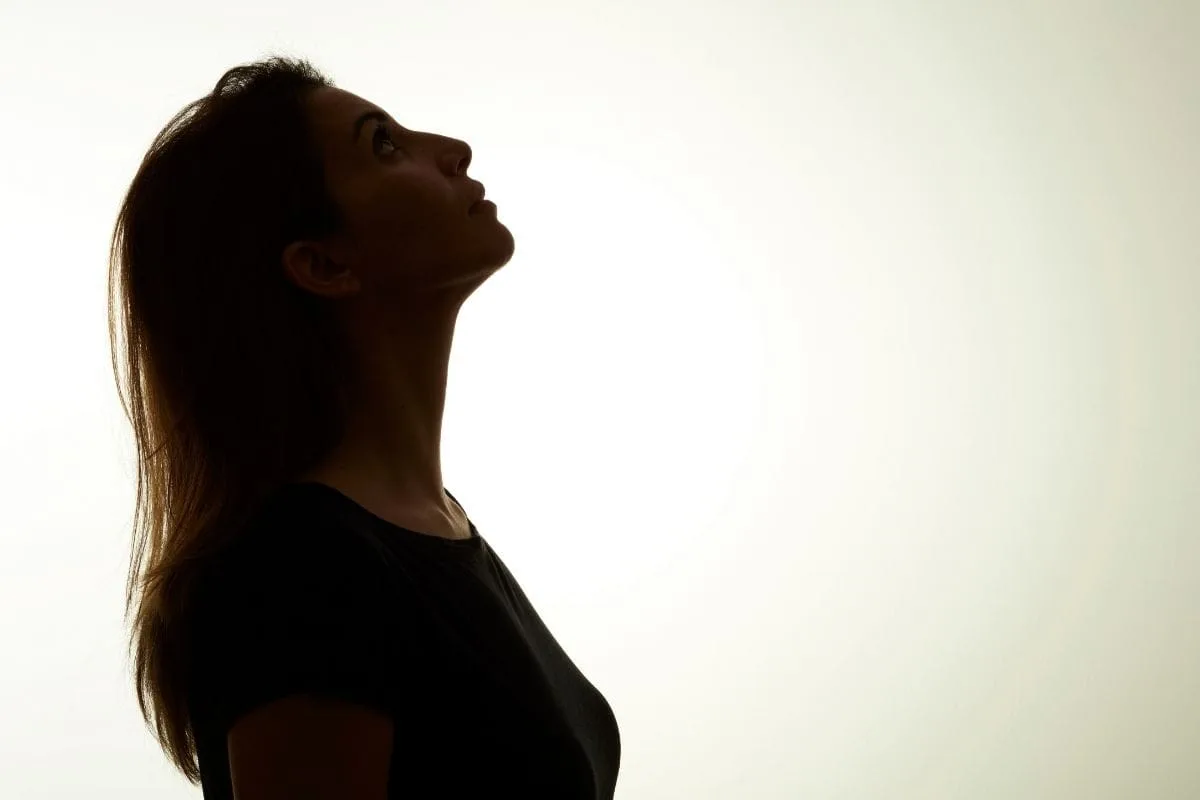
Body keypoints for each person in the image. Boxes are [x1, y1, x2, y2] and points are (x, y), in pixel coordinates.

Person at [110, 55, 620, 799]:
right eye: (383, 144)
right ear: (321, 263)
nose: (453, 148)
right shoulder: (300, 570)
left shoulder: (432, 533)